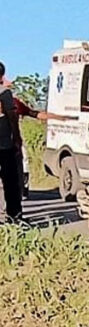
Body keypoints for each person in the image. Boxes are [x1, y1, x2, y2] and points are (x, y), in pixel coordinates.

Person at [0, 62, 24, 221]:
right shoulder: (4, 93)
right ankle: (14, 215)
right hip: (4, 145)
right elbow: (12, 117)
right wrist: (17, 138)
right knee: (10, 182)